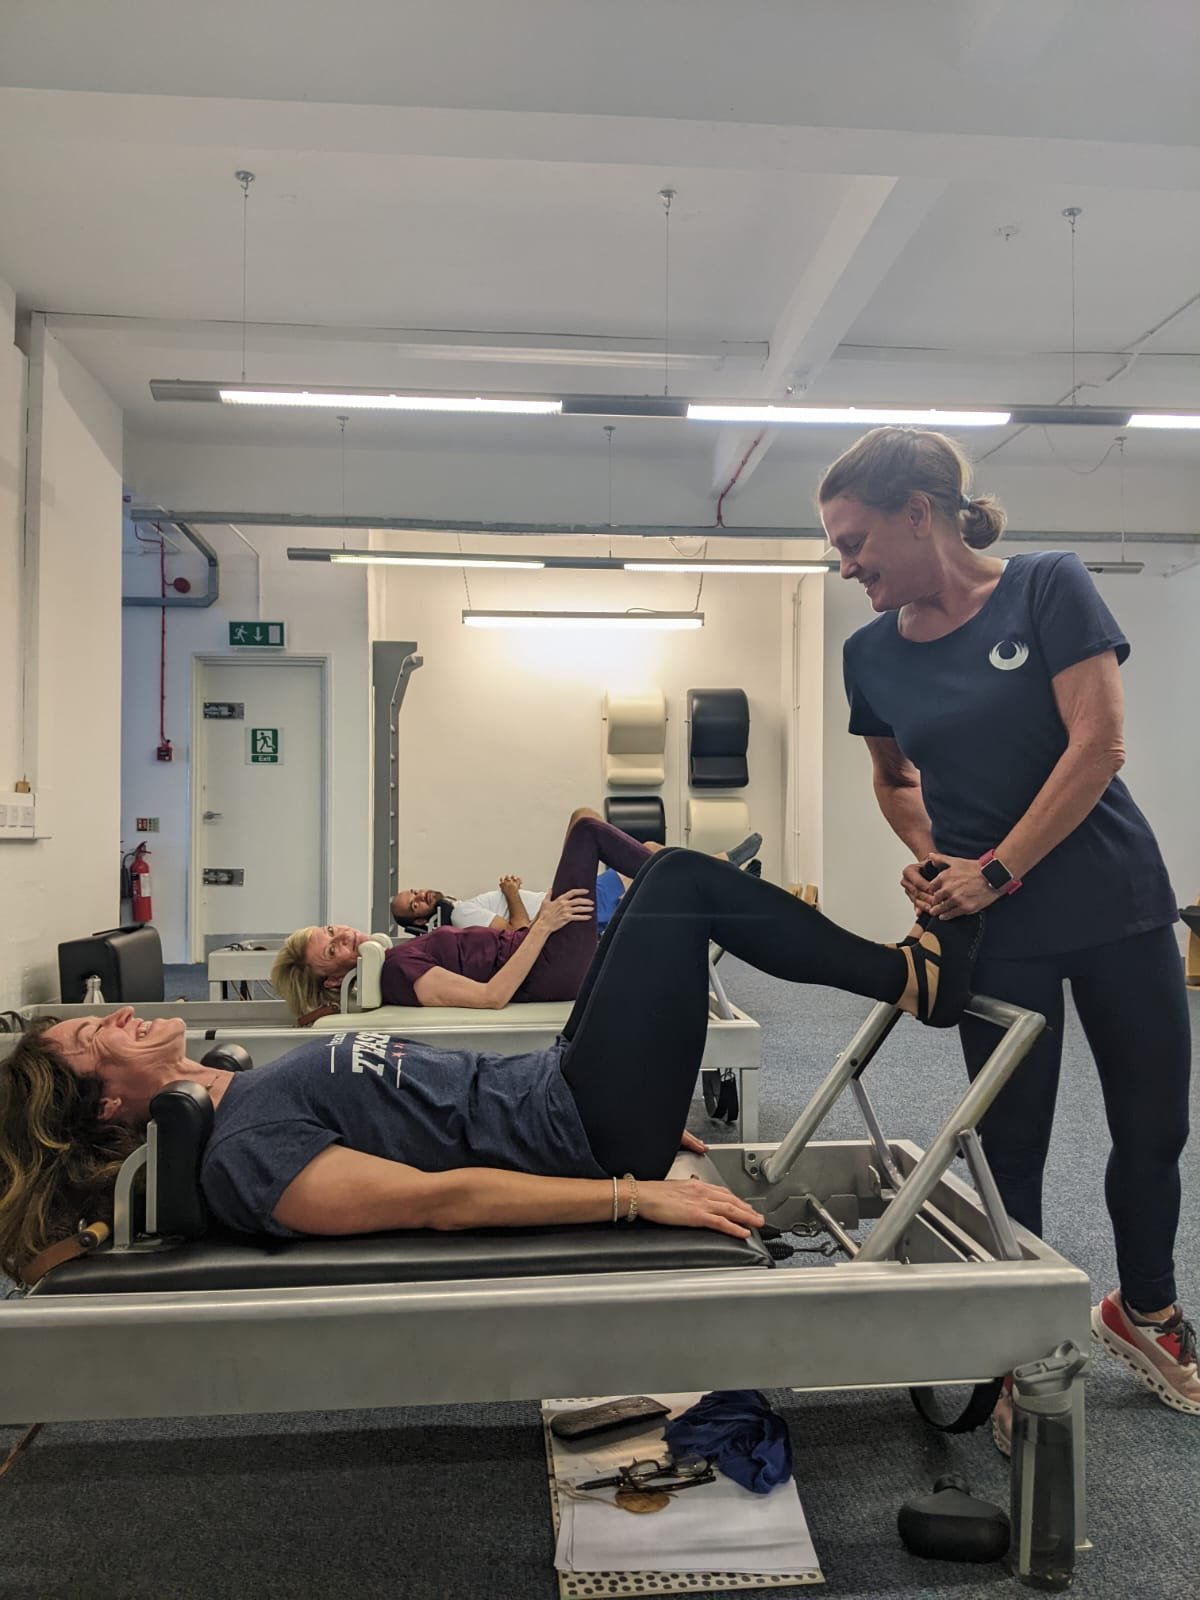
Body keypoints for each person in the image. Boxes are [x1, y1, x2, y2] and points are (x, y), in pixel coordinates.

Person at [0, 846, 980, 1277]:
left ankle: (906, 971)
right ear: (104, 1105)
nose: (116, 1014)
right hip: (576, 1130)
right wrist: (632, 1193)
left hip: (563, 1087)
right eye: (94, 1038)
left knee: (653, 889)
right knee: (681, 884)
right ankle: (910, 979)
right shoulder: (245, 1155)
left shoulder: (235, 1087)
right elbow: (444, 1200)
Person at [819, 424, 1196, 1424]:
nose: (845, 565)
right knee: (1010, 1143)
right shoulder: (869, 653)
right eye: (837, 549)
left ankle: (1147, 1311)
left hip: (1116, 904)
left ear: (919, 513)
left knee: (1154, 1125)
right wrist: (937, 858)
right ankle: (1016, 1344)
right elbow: (894, 778)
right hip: (1000, 932)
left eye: (855, 542)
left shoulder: (1046, 586)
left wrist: (994, 868)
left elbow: (1098, 742)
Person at [274, 809, 759, 1018]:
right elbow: (491, 997)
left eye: (331, 930)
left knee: (586, 825)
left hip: (544, 950)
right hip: (550, 965)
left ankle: (705, 881)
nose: (343, 937)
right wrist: (543, 927)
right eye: (332, 950)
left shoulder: (393, 957)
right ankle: (708, 882)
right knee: (587, 830)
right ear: (334, 979)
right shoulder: (399, 970)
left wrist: (538, 926)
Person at [390, 834, 762, 933]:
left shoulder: (460, 909)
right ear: (420, 920)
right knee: (650, 858)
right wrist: (511, 893)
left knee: (651, 857)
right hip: (567, 912)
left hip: (566, 903)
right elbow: (519, 933)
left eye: (415, 891)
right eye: (414, 903)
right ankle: (726, 869)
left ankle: (727, 874)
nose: (421, 895)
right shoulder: (459, 916)